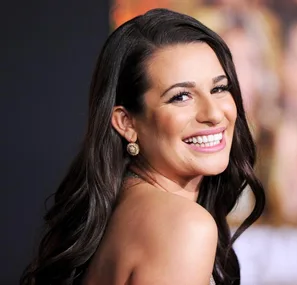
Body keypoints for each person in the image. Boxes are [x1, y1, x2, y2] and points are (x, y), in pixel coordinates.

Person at [20, 8, 265, 285]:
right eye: (181, 96)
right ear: (127, 123)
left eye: (219, 88)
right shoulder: (184, 226)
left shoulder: (121, 207)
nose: (213, 113)